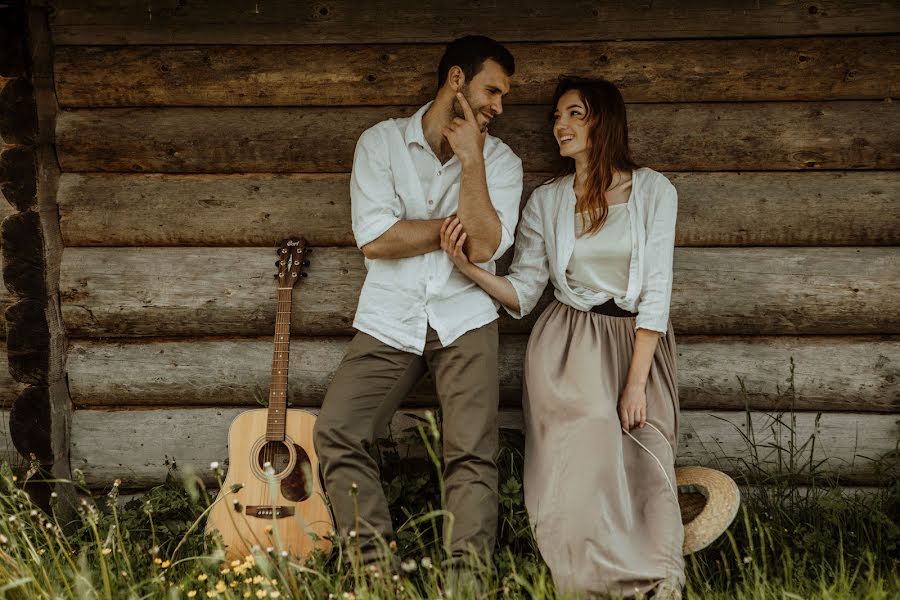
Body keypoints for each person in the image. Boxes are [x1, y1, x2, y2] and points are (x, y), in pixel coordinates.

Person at [439, 76, 685, 598]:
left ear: (604, 121)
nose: (560, 126)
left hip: (639, 345)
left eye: (575, 114)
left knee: (643, 462)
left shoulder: (654, 190)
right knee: (583, 459)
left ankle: (654, 581)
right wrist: (469, 269)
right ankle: (588, 584)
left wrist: (636, 383)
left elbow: (658, 289)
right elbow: (525, 290)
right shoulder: (547, 201)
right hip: (569, 347)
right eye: (556, 116)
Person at [313, 35, 523, 573]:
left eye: (503, 97)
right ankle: (374, 571)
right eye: (492, 91)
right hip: (390, 316)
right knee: (339, 431)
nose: (498, 106)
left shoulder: (501, 162)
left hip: (467, 315)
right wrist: (451, 229)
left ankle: (465, 581)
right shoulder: (379, 144)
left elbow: (482, 248)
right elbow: (376, 239)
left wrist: (471, 161)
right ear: (457, 79)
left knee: (471, 452)